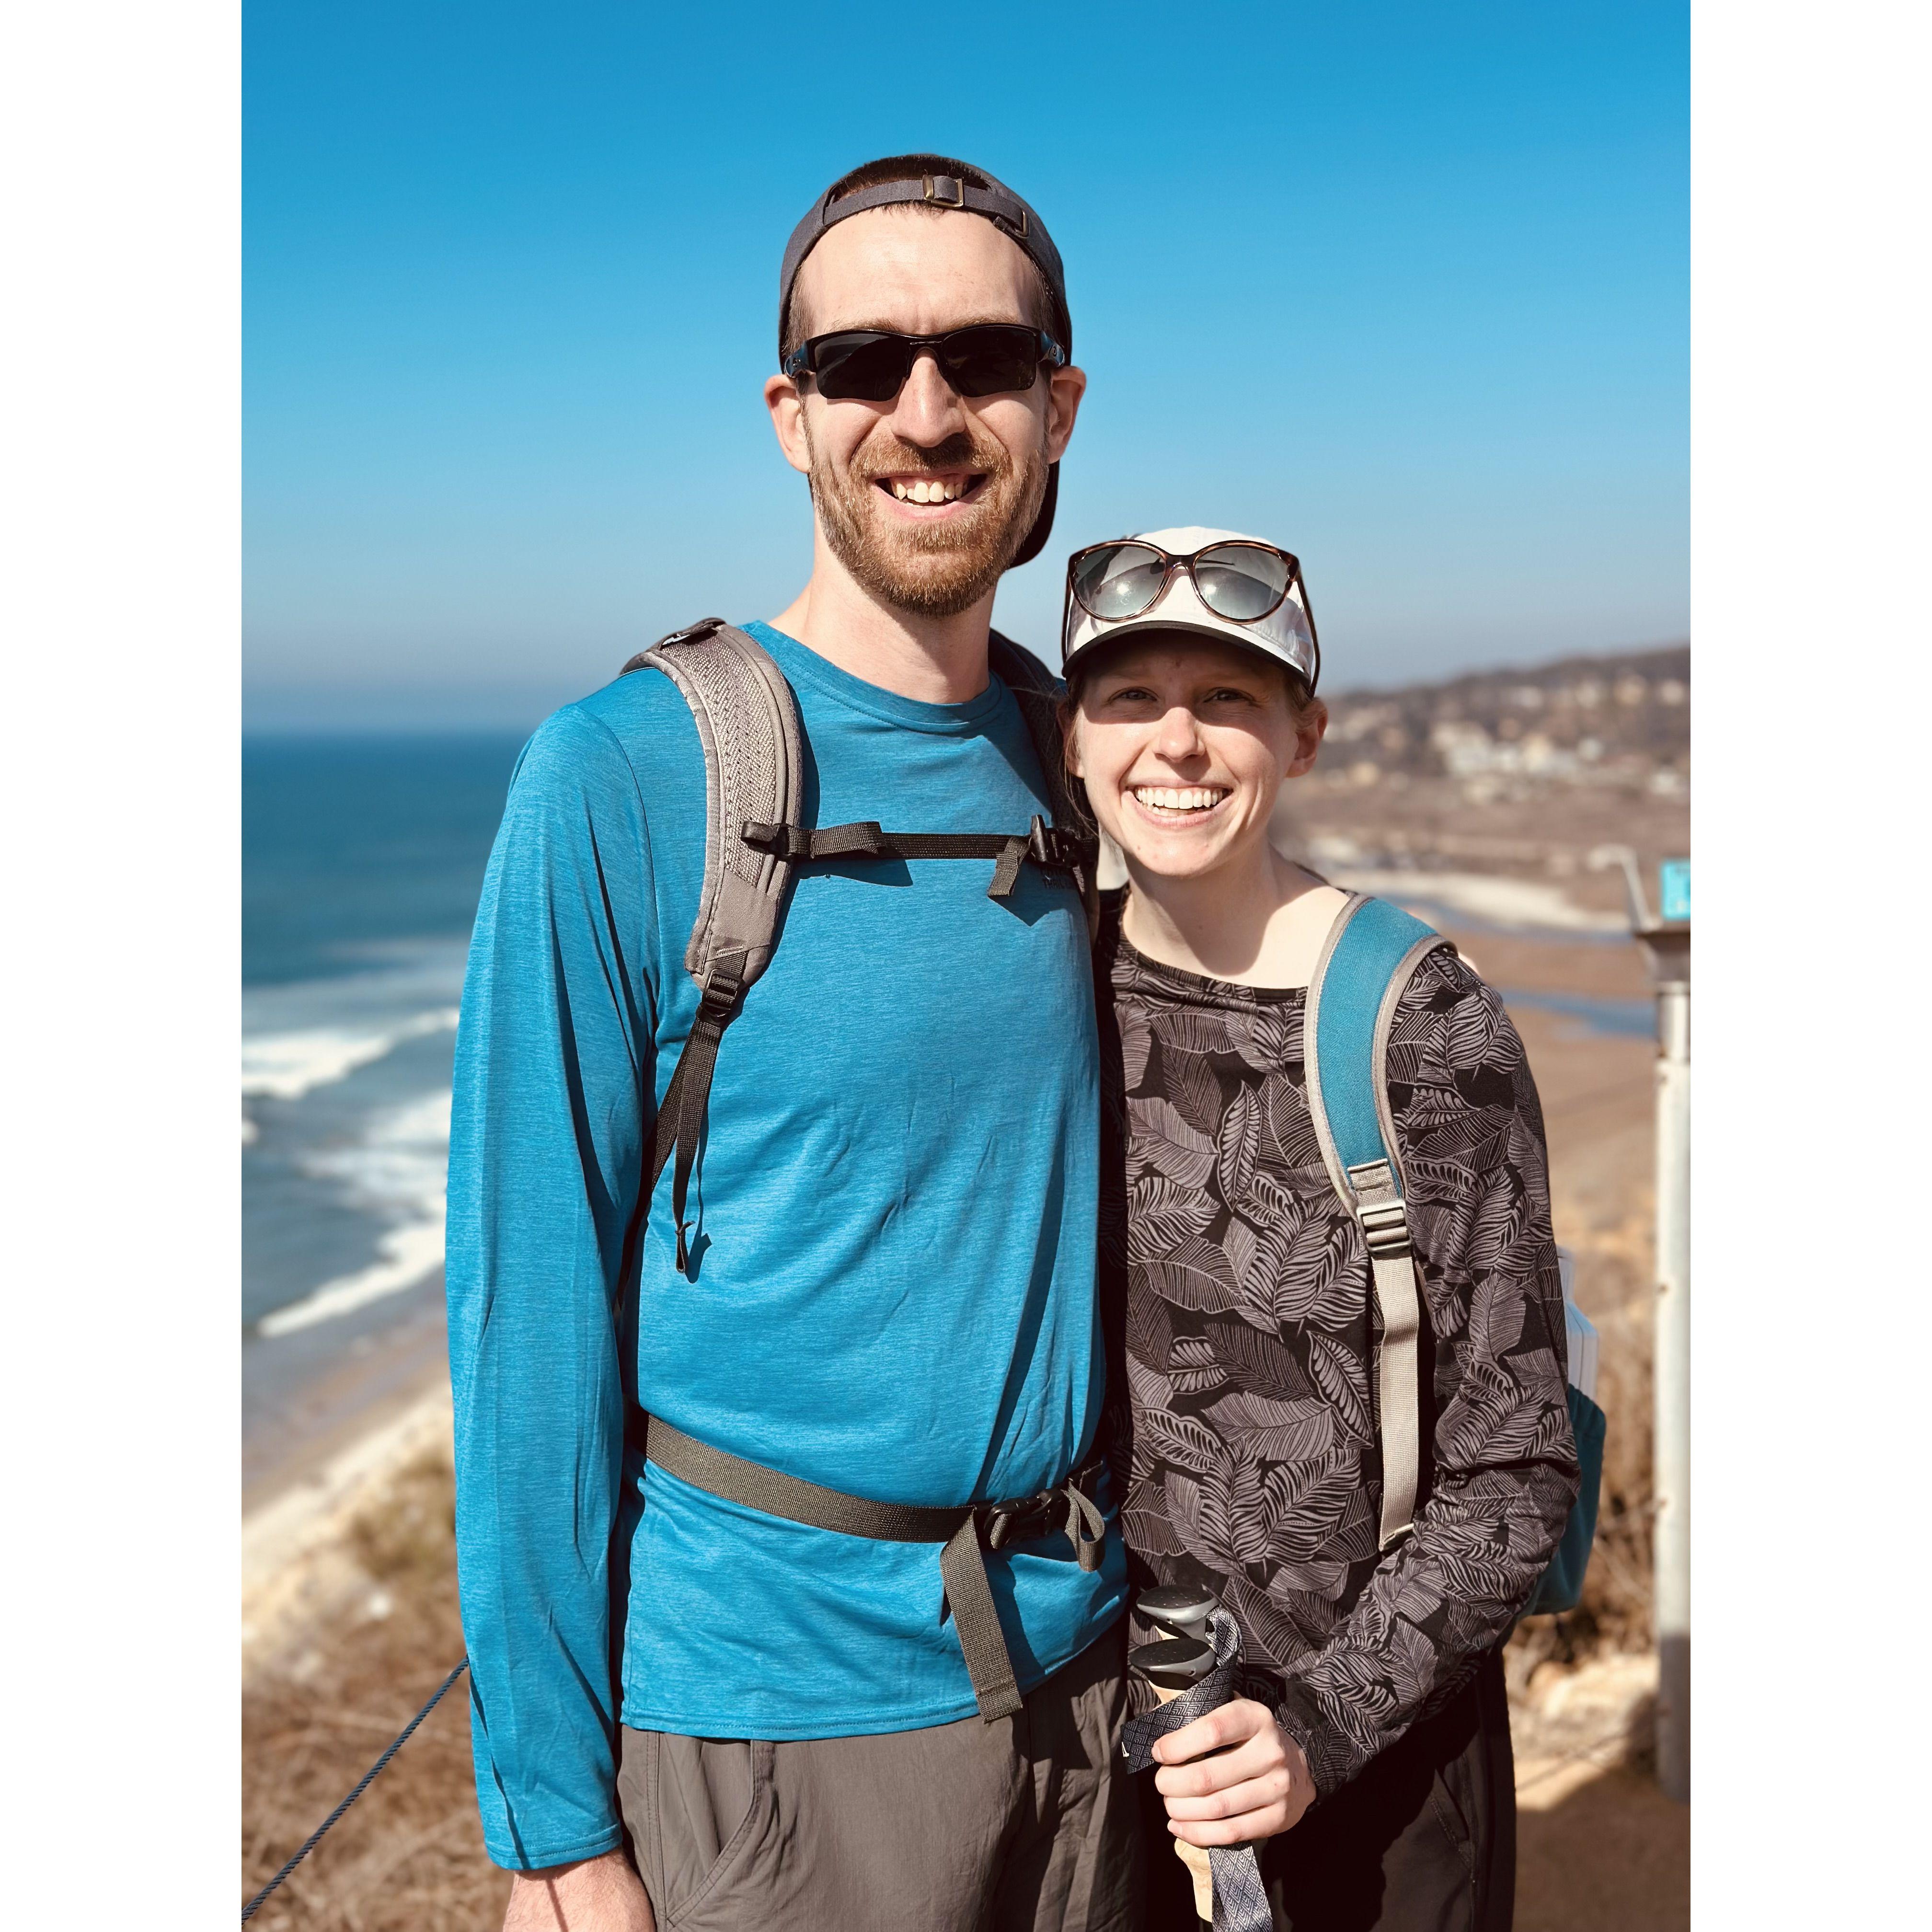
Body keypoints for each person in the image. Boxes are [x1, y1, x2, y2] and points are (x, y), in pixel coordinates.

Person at [445, 155, 1140, 1932]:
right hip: (771, 1731)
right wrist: (553, 1835)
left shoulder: (1092, 764)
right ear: (790, 415)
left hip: (1087, 1690)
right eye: (861, 367)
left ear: (1057, 406)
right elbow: (524, 1317)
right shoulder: (623, 777)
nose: (924, 412)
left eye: (982, 361)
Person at [1060, 530, 1580, 1930]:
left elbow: (1518, 1466)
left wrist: (1317, 1730)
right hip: (1104, 1765)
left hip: (1377, 1778)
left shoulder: (1423, 1025)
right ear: (1072, 738)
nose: (1178, 742)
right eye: (1129, 697)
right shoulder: (1046, 989)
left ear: (1305, 736)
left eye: (1228, 699)